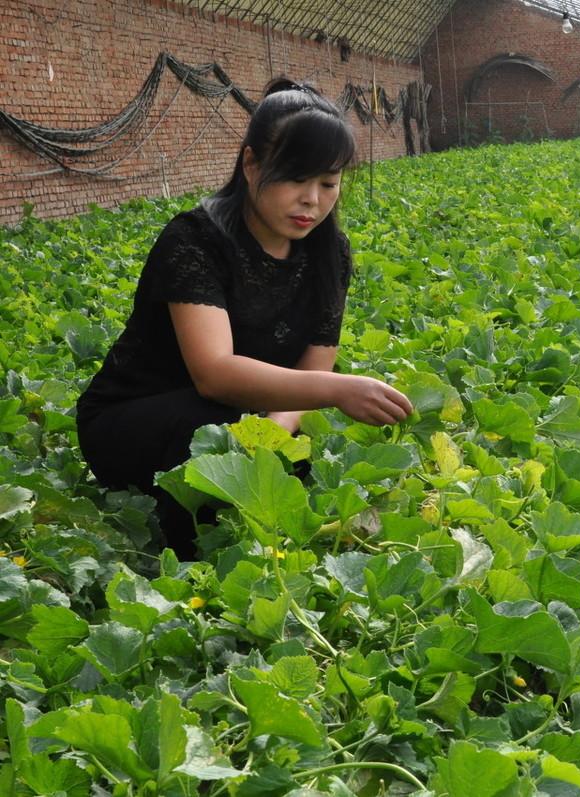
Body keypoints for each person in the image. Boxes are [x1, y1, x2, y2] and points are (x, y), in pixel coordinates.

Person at [75, 79, 413, 558]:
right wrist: (340, 390)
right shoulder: (195, 240)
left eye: (328, 183)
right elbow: (214, 374)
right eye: (296, 178)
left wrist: (273, 436)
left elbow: (314, 365)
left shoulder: (329, 251)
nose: (311, 201)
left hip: (243, 416)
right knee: (216, 438)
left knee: (293, 460)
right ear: (251, 164)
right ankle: (197, 562)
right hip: (135, 418)